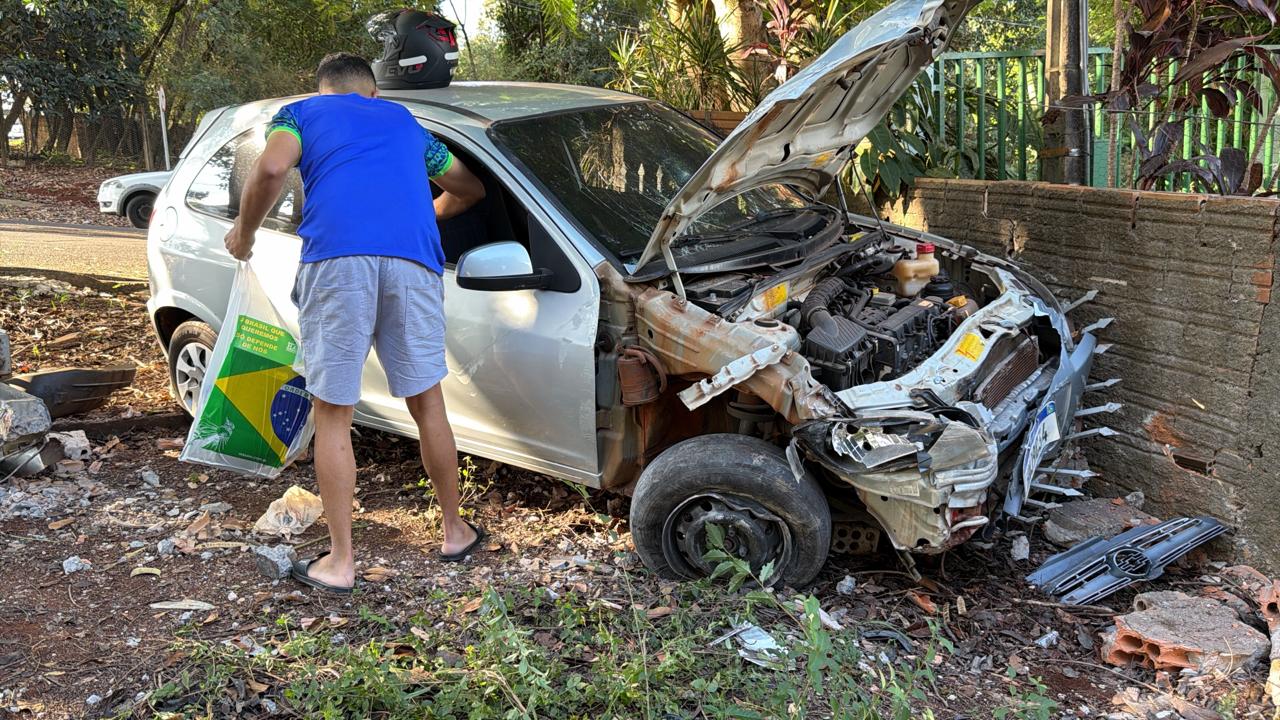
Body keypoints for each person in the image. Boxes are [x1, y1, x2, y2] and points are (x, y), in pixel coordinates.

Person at [224, 52, 486, 593]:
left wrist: (244, 235)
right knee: (428, 402)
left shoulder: (300, 115)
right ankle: (455, 531)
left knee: (334, 414)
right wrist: (423, 214)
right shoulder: (405, 123)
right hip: (414, 264)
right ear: (372, 92)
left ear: (323, 90)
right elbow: (469, 188)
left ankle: (341, 563)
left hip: (337, 264)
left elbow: (271, 168)